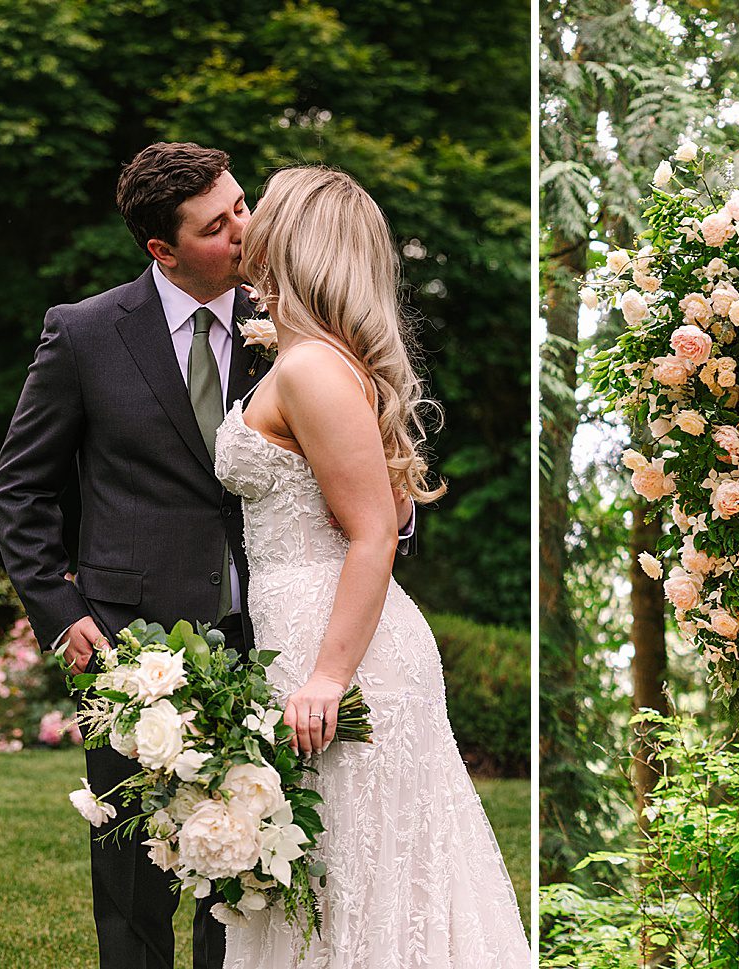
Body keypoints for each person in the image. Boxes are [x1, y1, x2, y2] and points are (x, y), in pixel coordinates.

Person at [0, 142, 415, 969]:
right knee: (134, 874)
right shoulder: (83, 333)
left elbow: (360, 464)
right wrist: (61, 610)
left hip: (270, 636)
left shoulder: (292, 318)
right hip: (130, 646)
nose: (244, 230)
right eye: (217, 226)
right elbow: (21, 487)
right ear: (164, 248)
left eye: (242, 205)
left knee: (250, 871)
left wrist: (381, 531)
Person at [214, 165, 529, 967]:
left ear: (296, 237)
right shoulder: (308, 356)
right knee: (334, 872)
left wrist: (328, 675)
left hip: (343, 648)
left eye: (262, 208)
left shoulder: (312, 369)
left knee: (358, 876)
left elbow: (375, 531)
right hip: (310, 629)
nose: (247, 222)